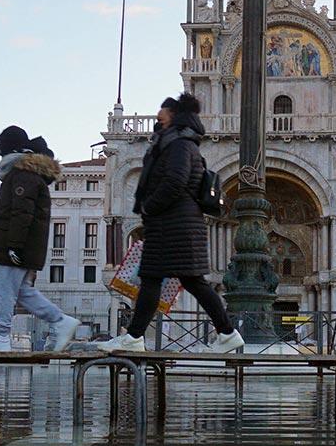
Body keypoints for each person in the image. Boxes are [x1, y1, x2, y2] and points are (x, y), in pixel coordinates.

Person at [93, 94, 244, 354]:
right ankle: (224, 333)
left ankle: (225, 333)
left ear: (174, 116)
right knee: (172, 279)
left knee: (169, 279)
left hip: (173, 224)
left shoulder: (180, 145)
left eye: (162, 113)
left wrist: (150, 206)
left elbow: (175, 181)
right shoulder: (177, 142)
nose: (158, 117)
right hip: (174, 224)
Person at [0, 126, 83, 353]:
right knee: (22, 292)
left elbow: (21, 212)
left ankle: (0, 336)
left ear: (10, 152)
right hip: (23, 245)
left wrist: (14, 245)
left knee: (1, 288)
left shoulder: (23, 175)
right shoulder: (28, 174)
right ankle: (60, 321)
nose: (0, 159)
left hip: (16, 245)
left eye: (1, 154)